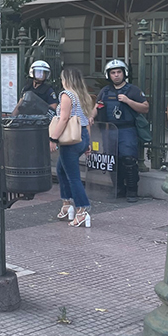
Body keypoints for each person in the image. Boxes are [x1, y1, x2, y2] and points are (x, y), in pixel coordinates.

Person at [91, 60, 149, 202]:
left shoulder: (133, 90)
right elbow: (97, 107)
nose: (116, 75)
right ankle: (118, 188)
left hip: (126, 129)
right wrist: (91, 117)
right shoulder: (105, 91)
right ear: (108, 75)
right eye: (113, 73)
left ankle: (132, 190)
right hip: (109, 130)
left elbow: (145, 108)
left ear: (124, 73)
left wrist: (128, 101)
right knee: (112, 160)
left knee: (129, 159)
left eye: (119, 72)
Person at [50, 68, 93, 227]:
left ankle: (82, 210)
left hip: (71, 139)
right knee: (61, 169)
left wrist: (53, 138)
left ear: (66, 79)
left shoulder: (66, 95)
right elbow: (87, 121)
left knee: (73, 176)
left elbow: (63, 119)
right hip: (82, 135)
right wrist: (88, 143)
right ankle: (66, 205)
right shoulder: (83, 95)